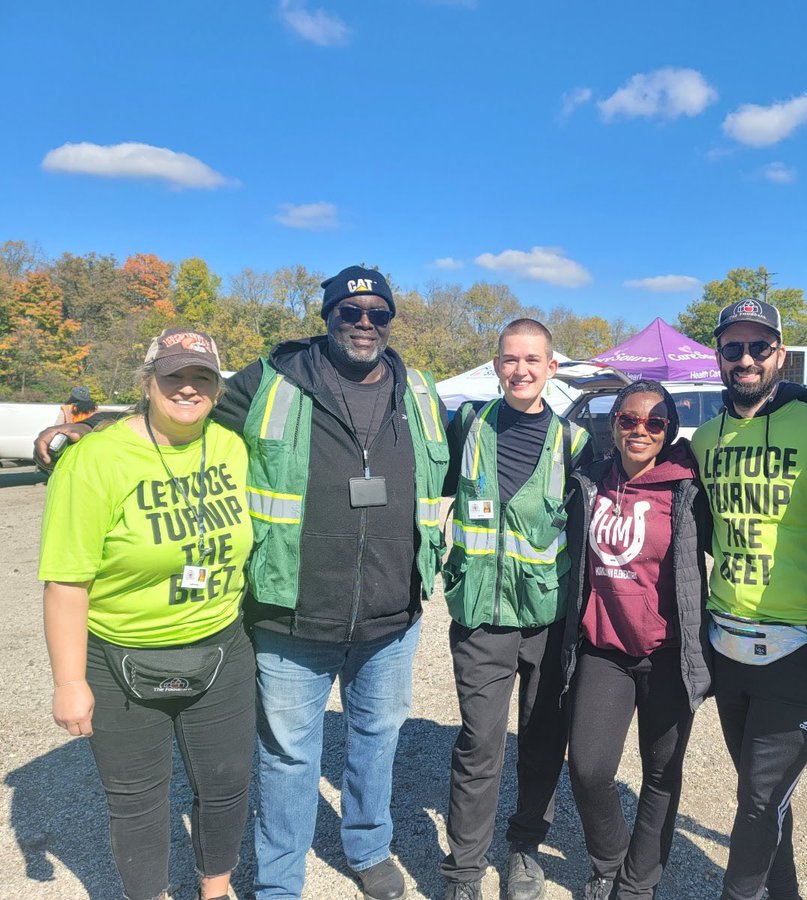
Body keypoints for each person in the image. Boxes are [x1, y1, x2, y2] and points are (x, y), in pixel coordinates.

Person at [37, 266, 450, 900]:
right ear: (328, 318)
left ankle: (368, 848)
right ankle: (281, 882)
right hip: (292, 616)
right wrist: (89, 427)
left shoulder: (419, 392)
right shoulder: (270, 380)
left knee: (377, 740)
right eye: (349, 311)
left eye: (378, 313)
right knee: (288, 757)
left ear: (391, 321)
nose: (364, 323)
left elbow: (472, 452)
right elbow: (182, 406)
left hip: (391, 617)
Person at [39, 329, 255, 900]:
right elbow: (65, 581)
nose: (188, 388)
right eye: (173, 375)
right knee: (136, 799)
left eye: (201, 377)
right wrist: (69, 682)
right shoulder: (94, 461)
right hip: (120, 656)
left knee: (227, 785)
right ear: (147, 382)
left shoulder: (233, 447)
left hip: (221, 645)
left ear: (217, 388)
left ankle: (215, 890)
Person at [690, 299, 807, 900]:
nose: (746, 359)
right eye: (733, 348)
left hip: (798, 646)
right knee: (765, 797)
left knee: (758, 798)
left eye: (759, 347)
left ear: (781, 353)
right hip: (727, 645)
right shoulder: (705, 439)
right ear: (719, 357)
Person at [440, 318, 591, 900]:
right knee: (480, 744)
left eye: (532, 360)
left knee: (541, 739)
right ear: (496, 364)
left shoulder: (574, 442)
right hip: (480, 618)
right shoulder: (467, 426)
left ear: (552, 367)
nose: (520, 370)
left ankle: (525, 847)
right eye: (510, 359)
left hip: (549, 621)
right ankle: (464, 871)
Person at [561, 380, 712, 900]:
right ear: (613, 424)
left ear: (669, 430)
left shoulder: (687, 489)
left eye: (654, 422)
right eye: (628, 419)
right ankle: (609, 860)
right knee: (588, 768)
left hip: (668, 654)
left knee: (661, 775)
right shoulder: (590, 481)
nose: (640, 430)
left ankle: (637, 883)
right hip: (605, 649)